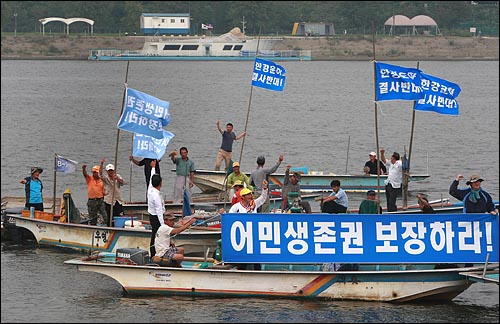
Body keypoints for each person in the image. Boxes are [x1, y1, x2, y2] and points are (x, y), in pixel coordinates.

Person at [147, 160, 164, 257]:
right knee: (157, 236)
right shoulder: (156, 196)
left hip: (152, 215)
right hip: (156, 217)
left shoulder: (151, 188)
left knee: (154, 235)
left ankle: (154, 253)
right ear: (160, 183)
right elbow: (159, 211)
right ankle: (154, 254)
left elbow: (150, 178)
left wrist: (153, 167)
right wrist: (163, 225)